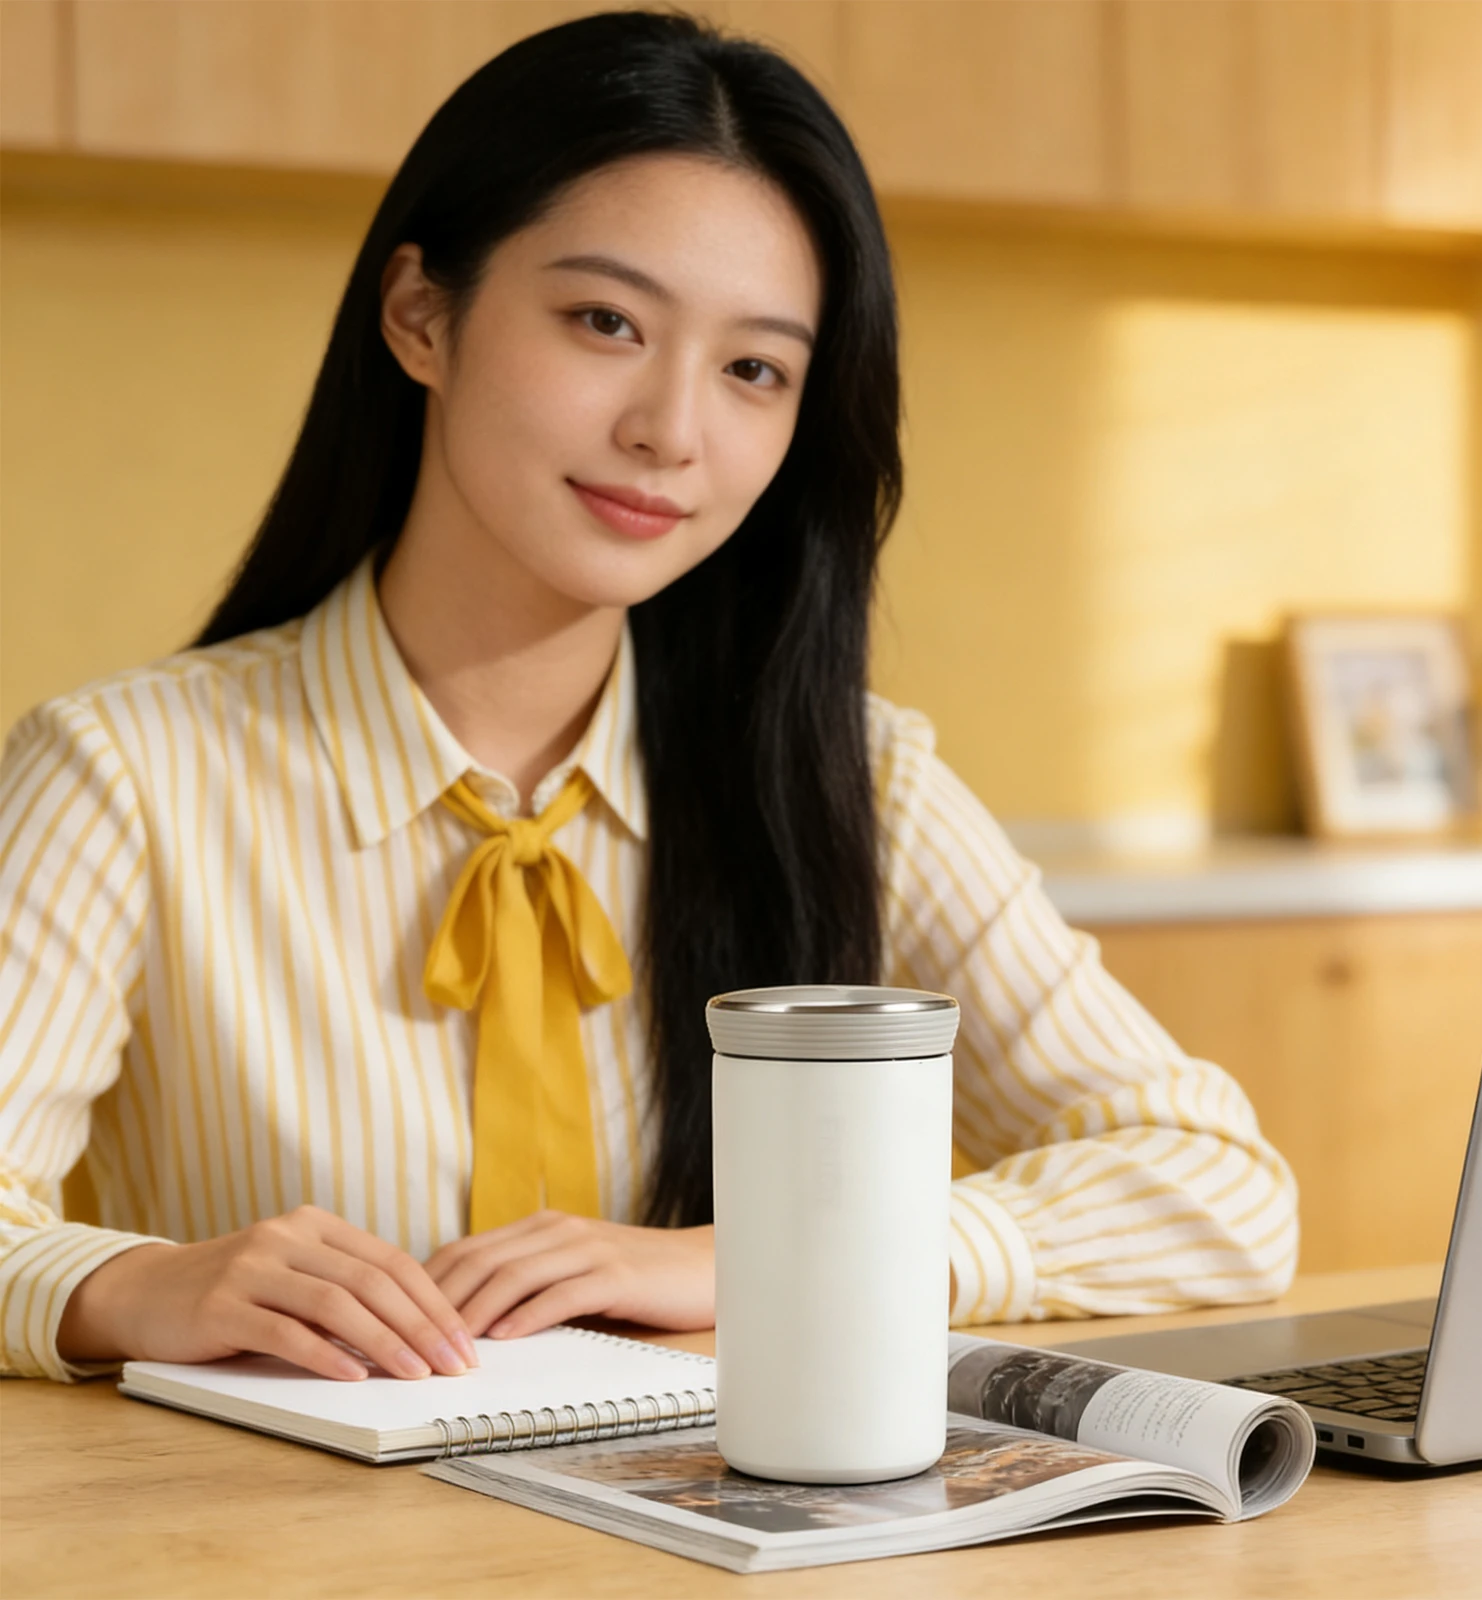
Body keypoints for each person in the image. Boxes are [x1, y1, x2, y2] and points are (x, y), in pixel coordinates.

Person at [0, 11, 1296, 1385]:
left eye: (754, 369)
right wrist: (135, 1286)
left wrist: (766, 1252)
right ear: (420, 314)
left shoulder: (852, 780)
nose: (671, 431)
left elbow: (1215, 1187)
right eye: (605, 321)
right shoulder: (125, 774)